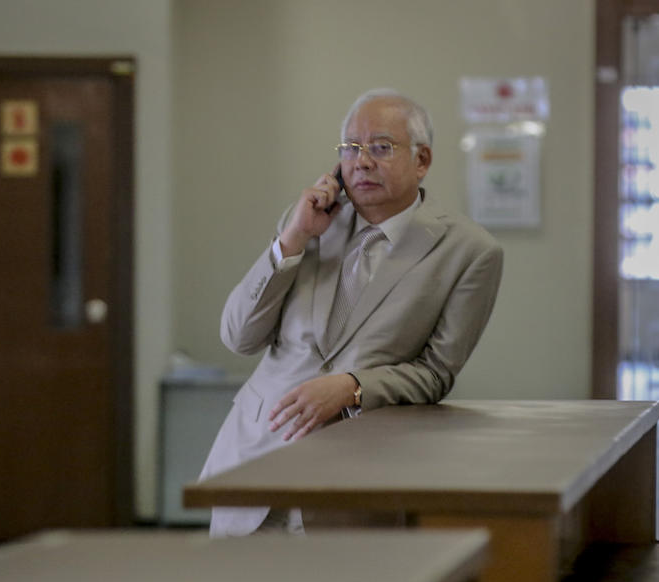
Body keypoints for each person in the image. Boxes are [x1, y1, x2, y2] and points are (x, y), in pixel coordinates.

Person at [199, 88, 504, 537]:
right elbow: (238, 337)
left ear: (422, 161)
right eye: (350, 149)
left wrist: (353, 387)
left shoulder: (470, 252)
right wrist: (294, 239)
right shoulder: (307, 222)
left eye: (381, 147)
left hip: (357, 474)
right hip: (253, 464)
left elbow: (436, 372)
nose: (361, 162)